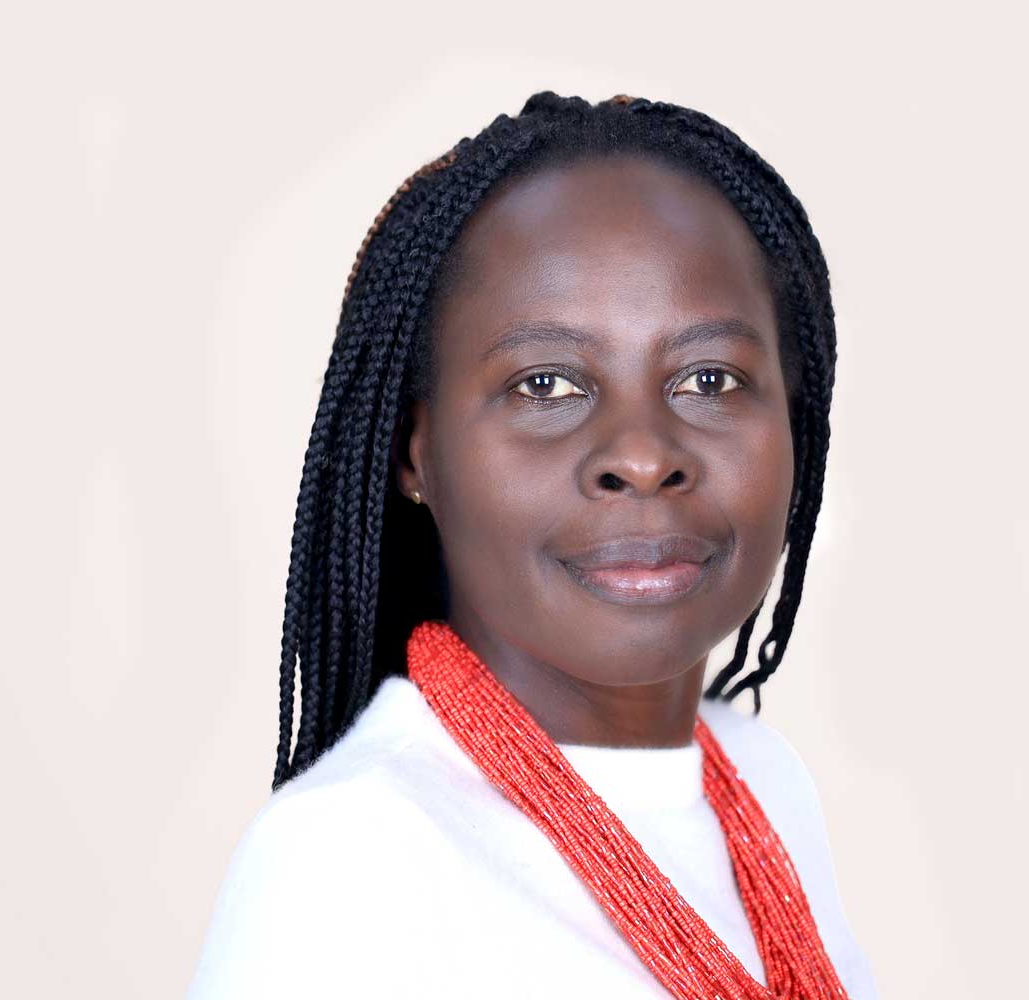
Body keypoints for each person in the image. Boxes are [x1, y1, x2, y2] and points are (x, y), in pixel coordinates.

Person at [186, 90, 881, 999]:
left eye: (709, 378)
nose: (641, 456)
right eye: (544, 384)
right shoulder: (350, 862)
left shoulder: (766, 788)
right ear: (413, 452)